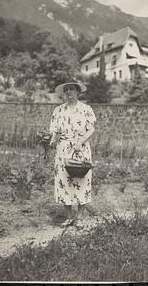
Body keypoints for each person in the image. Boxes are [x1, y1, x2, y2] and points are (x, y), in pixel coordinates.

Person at [49, 80, 96, 228]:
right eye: (66, 90)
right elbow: (54, 132)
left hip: (80, 148)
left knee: (82, 181)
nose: (69, 92)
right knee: (64, 181)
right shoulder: (58, 110)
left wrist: (81, 141)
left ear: (77, 92)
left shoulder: (86, 109)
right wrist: (51, 141)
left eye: (72, 89)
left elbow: (91, 129)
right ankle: (69, 216)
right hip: (63, 150)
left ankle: (80, 217)